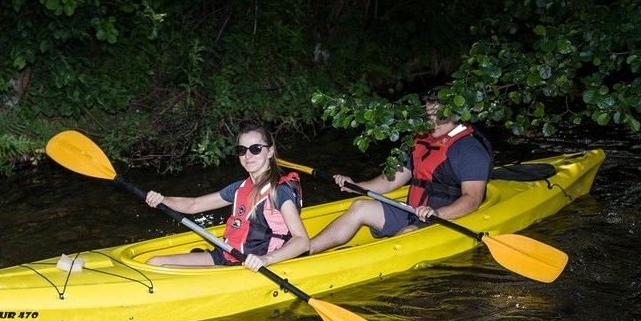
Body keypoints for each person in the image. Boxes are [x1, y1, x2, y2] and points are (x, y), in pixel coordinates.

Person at [309, 90, 493, 254]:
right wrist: (357, 186)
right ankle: (308, 249)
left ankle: (369, 262)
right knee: (360, 207)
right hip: (412, 211)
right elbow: (391, 180)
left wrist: (437, 213)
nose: (434, 123)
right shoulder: (421, 139)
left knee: (406, 234)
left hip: (444, 218)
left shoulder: (470, 149)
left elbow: (472, 198)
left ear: (455, 113)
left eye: (440, 117)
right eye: (429, 116)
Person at [145, 124, 309, 271]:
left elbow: (302, 241)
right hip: (227, 255)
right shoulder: (239, 188)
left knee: (168, 270)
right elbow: (194, 205)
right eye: (242, 150)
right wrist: (163, 200)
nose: (248, 155)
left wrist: (265, 259)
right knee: (155, 262)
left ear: (270, 152)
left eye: (256, 149)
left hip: (252, 264)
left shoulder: (279, 191)